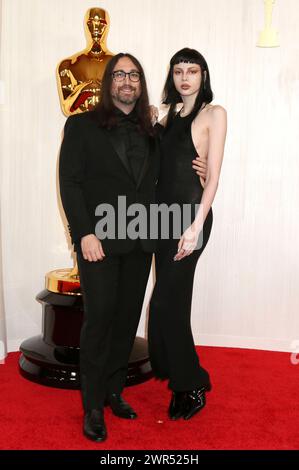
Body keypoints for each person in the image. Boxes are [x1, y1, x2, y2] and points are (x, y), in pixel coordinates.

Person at [59, 51, 208, 442]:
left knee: (126, 320)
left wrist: (204, 167)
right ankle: (92, 406)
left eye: (134, 75)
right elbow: (70, 184)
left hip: (142, 241)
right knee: (100, 319)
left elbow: (174, 167)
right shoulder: (80, 126)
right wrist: (84, 234)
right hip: (99, 243)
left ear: (141, 85)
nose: (127, 81)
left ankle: (112, 393)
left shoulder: (152, 131)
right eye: (120, 74)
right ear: (109, 82)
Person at [148, 48, 227, 420]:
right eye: (178, 70)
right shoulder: (163, 116)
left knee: (163, 303)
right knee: (173, 303)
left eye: (191, 71)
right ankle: (177, 375)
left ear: (203, 75)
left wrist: (196, 226)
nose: (184, 77)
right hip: (159, 220)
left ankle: (191, 382)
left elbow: (212, 178)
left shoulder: (215, 114)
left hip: (190, 219)